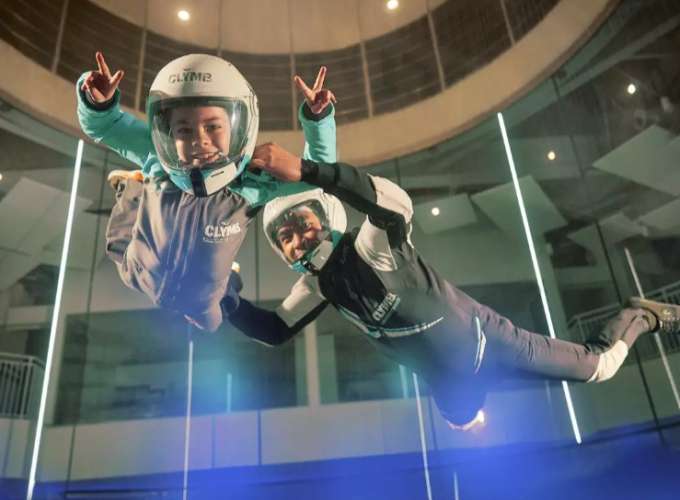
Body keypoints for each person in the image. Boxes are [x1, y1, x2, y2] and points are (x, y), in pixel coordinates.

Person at [221, 143, 680, 429]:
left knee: (602, 368)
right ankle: (463, 414)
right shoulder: (316, 287)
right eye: (284, 237)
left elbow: (394, 205)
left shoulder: (371, 246)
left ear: (326, 218)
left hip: (497, 347)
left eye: (301, 224)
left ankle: (644, 315)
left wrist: (307, 170)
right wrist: (224, 297)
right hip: (454, 378)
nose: (296, 240)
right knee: (458, 418)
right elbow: (274, 330)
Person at [76, 52, 336, 332]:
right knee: (117, 246)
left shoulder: (251, 185)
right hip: (138, 268)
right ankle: (130, 188)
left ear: (238, 127)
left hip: (194, 296)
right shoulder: (158, 157)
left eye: (212, 127)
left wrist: (318, 119)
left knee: (212, 323)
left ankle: (229, 280)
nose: (199, 139)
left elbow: (318, 176)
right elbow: (104, 125)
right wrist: (96, 101)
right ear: (167, 133)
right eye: (184, 130)